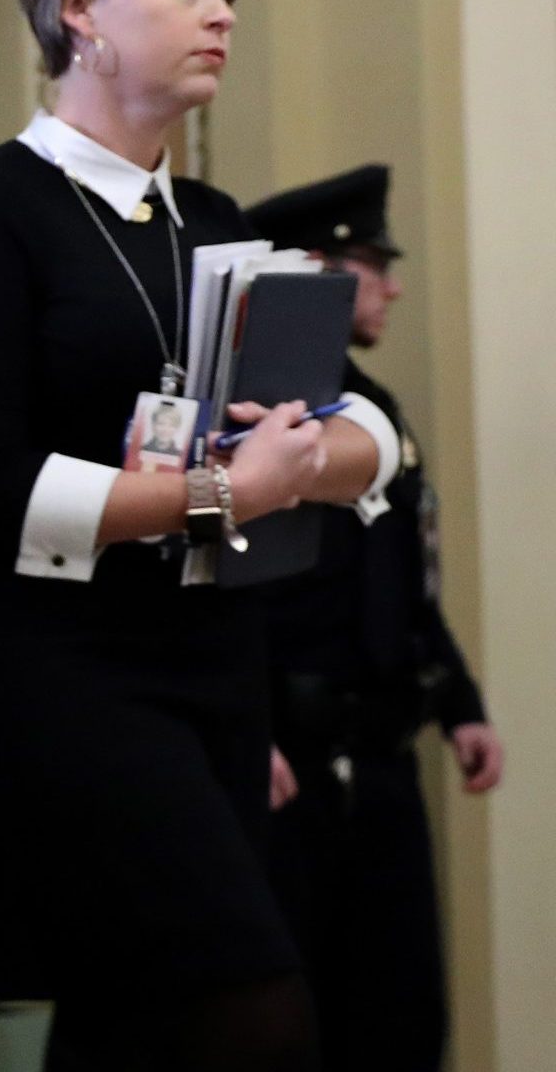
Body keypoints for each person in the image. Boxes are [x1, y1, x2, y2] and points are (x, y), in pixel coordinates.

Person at [0, 0, 402, 1072]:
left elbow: (373, 432)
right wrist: (231, 490)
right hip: (51, 677)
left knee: (138, 1029)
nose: (219, 12)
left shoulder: (219, 221)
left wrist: (310, 459)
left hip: (210, 672)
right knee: (250, 1014)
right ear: (78, 10)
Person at [245, 164, 500, 1072]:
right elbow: (229, 588)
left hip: (381, 757)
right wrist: (244, 721)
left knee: (397, 1021)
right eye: (372, 264)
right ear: (319, 271)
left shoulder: (373, 410)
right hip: (289, 765)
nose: (391, 286)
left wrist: (458, 698)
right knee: (290, 1029)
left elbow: (402, 580)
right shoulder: (265, 411)